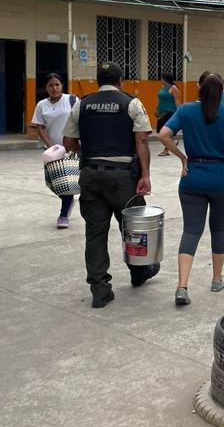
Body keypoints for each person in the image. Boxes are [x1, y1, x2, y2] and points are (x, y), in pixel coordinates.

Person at [62, 62, 159, 308]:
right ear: (120, 81)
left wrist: (86, 153)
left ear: (98, 81)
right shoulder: (131, 103)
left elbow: (68, 142)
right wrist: (145, 175)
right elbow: (142, 141)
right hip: (123, 177)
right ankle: (139, 272)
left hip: (90, 175)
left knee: (95, 232)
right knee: (132, 227)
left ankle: (99, 289)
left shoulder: (81, 104)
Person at [158, 73, 224, 306]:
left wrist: (182, 158)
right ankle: (216, 279)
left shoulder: (186, 110)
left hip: (192, 177)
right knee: (219, 229)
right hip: (221, 178)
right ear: (221, 91)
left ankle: (182, 286)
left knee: (191, 231)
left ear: (199, 87)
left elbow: (163, 134)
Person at [31, 73, 77, 227]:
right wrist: (51, 146)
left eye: (57, 84)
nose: (54, 88)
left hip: (71, 149)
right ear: (46, 88)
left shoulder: (72, 100)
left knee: (66, 183)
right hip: (53, 151)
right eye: (50, 85)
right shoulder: (41, 105)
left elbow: (81, 121)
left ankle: (63, 215)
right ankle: (69, 201)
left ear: (62, 85)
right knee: (52, 183)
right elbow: (40, 127)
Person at [155, 73, 180, 156]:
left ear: (165, 79)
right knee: (159, 131)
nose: (160, 80)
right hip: (161, 113)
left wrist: (179, 113)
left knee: (165, 133)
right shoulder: (163, 88)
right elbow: (160, 100)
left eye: (161, 78)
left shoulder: (173, 88)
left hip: (170, 112)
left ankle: (166, 150)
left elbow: (177, 101)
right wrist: (157, 109)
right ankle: (173, 142)